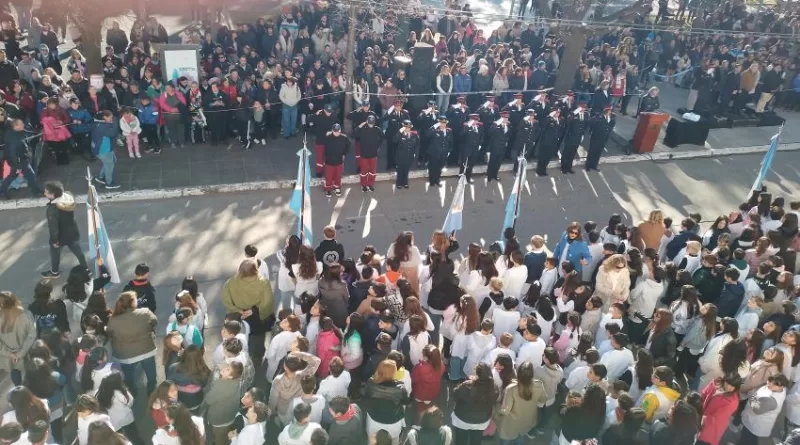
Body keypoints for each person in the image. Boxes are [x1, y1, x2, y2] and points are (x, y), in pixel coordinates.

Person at [106, 291, 158, 394]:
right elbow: (154, 322)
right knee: (151, 374)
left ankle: (132, 392)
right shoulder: (145, 312)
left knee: (128, 375)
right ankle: (151, 391)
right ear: (132, 302)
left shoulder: (113, 319)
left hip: (125, 355)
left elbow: (109, 333)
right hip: (146, 350)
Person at [223, 258, 274, 362]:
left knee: (236, 336)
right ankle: (257, 356)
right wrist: (254, 310)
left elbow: (226, 300)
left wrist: (237, 310)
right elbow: (267, 301)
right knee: (258, 338)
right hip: (257, 316)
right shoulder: (263, 282)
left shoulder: (230, 282)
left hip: (238, 316)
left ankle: (237, 355)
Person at [41, 181, 87, 279]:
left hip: (60, 237)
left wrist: (54, 240)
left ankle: (54, 272)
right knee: (78, 251)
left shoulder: (52, 209)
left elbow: (54, 227)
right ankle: (85, 268)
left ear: (53, 195)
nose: (44, 193)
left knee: (55, 253)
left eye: (46, 192)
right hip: (72, 232)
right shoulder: (68, 197)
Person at [495, 360, 547, 444]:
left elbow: (505, 411)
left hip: (511, 423)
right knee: (520, 437)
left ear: (518, 373)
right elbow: (543, 399)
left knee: (506, 440)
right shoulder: (539, 385)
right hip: (527, 420)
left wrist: (496, 408)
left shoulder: (511, 389)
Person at [451, 362, 498, 445]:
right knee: (476, 439)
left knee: (460, 440)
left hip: (463, 419)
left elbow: (455, 395)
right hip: (482, 420)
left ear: (477, 373)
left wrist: (470, 381)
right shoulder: (493, 387)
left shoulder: (468, 385)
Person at [362, 359, 410, 441]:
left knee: (372, 441)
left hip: (374, 420)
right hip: (393, 422)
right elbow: (406, 402)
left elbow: (366, 396)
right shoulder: (400, 388)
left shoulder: (370, 383)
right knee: (394, 440)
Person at [0, 292, 36, 386]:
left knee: (14, 372)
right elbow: (32, 335)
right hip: (26, 352)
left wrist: (10, 354)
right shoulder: (26, 315)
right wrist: (20, 354)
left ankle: (19, 390)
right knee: (30, 371)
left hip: (10, 357)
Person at [1, 118, 42, 199]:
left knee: (15, 176)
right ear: (16, 126)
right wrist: (18, 166)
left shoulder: (19, 131)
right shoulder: (12, 139)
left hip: (21, 159)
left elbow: (27, 133)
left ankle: (2, 191)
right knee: (27, 175)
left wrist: (38, 133)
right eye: (21, 124)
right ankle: (36, 191)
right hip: (17, 161)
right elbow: (12, 154)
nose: (24, 125)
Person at [698, 374, 742, 445]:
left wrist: (700, 419)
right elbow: (704, 394)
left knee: (701, 441)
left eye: (732, 386)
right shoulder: (715, 383)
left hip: (711, 426)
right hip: (700, 417)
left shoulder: (733, 401)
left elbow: (717, 417)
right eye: (727, 383)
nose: (728, 387)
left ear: (736, 388)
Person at [91, 110, 121, 189]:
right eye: (110, 118)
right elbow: (113, 133)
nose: (111, 119)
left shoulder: (99, 123)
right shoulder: (103, 126)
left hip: (104, 148)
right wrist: (115, 122)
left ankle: (101, 177)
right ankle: (109, 183)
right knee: (109, 165)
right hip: (103, 150)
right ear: (104, 117)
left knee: (113, 161)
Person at [355, 114, 383, 192]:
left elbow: (383, 137)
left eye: (372, 123)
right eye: (370, 123)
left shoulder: (377, 129)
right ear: (367, 122)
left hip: (373, 154)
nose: (371, 125)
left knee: (372, 171)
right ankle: (363, 185)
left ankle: (370, 184)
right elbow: (353, 134)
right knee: (364, 171)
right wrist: (359, 126)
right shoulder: (362, 129)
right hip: (364, 154)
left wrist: (378, 145)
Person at [322, 123, 350, 197]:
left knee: (338, 176)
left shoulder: (344, 138)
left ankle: (337, 187)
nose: (336, 132)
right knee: (329, 176)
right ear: (332, 130)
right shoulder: (327, 137)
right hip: (329, 161)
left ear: (340, 130)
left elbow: (348, 146)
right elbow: (323, 148)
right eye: (335, 131)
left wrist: (344, 154)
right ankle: (328, 189)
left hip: (339, 161)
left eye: (338, 131)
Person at [586, 104, 615, 172]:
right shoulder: (598, 117)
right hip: (596, 137)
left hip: (604, 138)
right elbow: (590, 123)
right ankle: (588, 166)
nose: (610, 112)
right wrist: (591, 132)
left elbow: (611, 126)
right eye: (609, 110)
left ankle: (594, 165)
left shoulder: (612, 118)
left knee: (598, 152)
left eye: (611, 110)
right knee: (592, 152)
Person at [426, 116, 452, 187]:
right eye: (441, 123)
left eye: (444, 123)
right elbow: (427, 134)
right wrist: (435, 126)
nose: (443, 124)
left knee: (440, 167)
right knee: (432, 167)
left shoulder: (448, 131)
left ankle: (437, 179)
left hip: (443, 153)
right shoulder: (434, 130)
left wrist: (449, 151)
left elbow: (450, 142)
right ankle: (431, 180)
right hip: (434, 152)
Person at [394, 119, 418, 189]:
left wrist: (414, 153)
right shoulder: (400, 134)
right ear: (403, 127)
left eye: (409, 127)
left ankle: (405, 182)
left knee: (406, 170)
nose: (408, 128)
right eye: (406, 127)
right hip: (400, 156)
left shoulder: (414, 134)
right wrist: (399, 131)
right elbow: (394, 140)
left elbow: (417, 144)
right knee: (400, 170)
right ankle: (399, 183)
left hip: (409, 155)